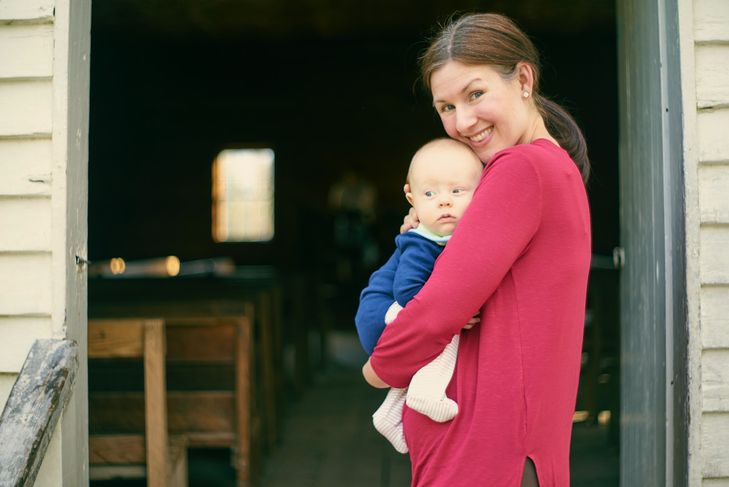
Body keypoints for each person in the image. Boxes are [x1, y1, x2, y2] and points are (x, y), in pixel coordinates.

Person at [357, 12, 591, 487]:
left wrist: (377, 370)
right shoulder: (549, 169)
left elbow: (438, 307)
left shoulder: (520, 169)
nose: (462, 122)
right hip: (498, 448)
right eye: (445, 107)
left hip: (486, 452)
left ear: (523, 78)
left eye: (476, 94)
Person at [356, 138, 484, 454]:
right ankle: (427, 391)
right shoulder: (423, 241)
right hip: (381, 311)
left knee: (440, 317)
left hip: (390, 311)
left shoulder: (445, 235)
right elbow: (408, 291)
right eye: (430, 194)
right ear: (411, 199)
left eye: (457, 191)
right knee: (447, 326)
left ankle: (388, 414)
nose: (444, 202)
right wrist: (455, 314)